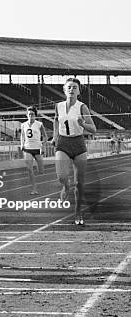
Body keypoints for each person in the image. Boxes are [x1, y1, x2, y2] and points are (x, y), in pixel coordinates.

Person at [52, 78, 96, 226]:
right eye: (69, 87)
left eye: (74, 87)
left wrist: (82, 123)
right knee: (61, 176)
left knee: (79, 184)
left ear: (79, 91)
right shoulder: (58, 106)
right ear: (64, 90)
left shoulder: (82, 107)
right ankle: (65, 186)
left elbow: (93, 129)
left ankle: (78, 212)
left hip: (78, 143)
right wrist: (55, 136)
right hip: (63, 143)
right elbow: (56, 120)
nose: (71, 89)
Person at [20, 106, 47, 195]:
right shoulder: (23, 125)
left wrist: (43, 146)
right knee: (30, 170)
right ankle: (34, 189)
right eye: (29, 114)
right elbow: (22, 136)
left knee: (41, 171)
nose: (30, 116)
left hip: (37, 148)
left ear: (35, 115)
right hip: (27, 148)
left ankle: (37, 171)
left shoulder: (39, 124)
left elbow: (45, 136)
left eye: (32, 114)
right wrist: (21, 144)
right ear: (27, 115)